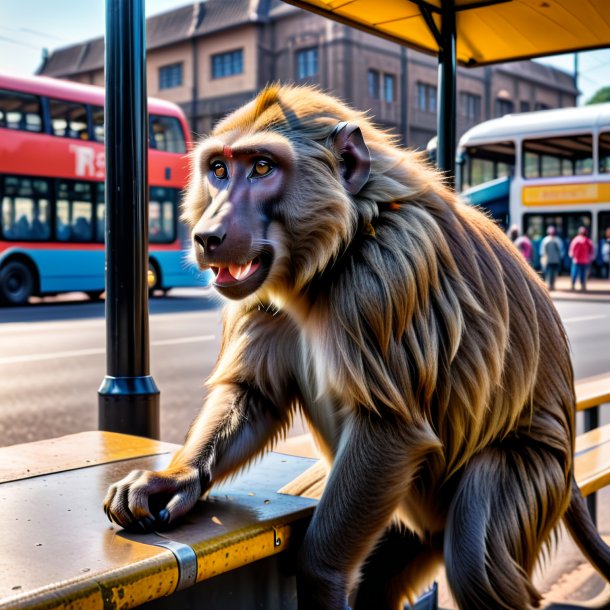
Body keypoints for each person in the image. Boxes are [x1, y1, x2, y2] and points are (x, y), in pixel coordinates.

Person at [568, 226, 595, 291]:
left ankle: (573, 285)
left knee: (575, 273)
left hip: (576, 260)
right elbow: (592, 250)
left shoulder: (576, 239)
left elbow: (571, 250)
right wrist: (590, 258)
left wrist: (572, 256)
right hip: (584, 260)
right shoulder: (587, 240)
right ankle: (583, 286)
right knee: (582, 274)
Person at [539, 225, 564, 291]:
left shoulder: (555, 240)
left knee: (553, 274)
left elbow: (561, 251)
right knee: (550, 274)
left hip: (553, 260)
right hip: (550, 260)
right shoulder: (548, 240)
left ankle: (552, 286)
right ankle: (550, 286)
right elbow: (542, 251)